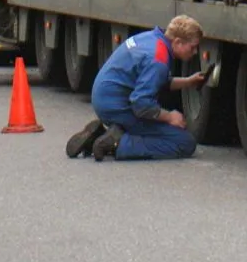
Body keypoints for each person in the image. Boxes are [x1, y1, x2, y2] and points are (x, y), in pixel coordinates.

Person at [66, 15, 206, 161]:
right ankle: (117, 144)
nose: (195, 52)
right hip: (117, 106)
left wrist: (189, 81)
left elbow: (157, 81)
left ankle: (105, 134)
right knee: (184, 142)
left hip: (105, 97)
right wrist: (170, 117)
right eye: (193, 47)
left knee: (160, 127)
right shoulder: (158, 59)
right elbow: (141, 105)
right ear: (178, 42)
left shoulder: (153, 39)